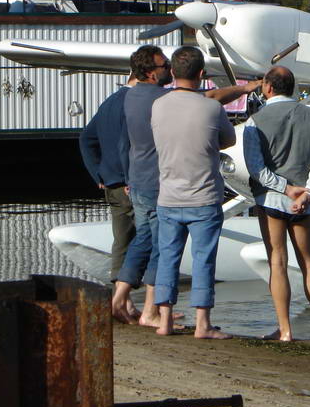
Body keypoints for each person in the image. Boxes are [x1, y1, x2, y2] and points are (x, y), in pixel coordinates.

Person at [111, 45, 259, 326]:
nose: (167, 68)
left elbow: (126, 140)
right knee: (183, 253)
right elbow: (215, 115)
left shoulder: (138, 99)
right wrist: (243, 89)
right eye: (162, 65)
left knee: (152, 245)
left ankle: (141, 306)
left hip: (150, 185)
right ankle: (169, 315)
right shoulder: (173, 101)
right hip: (180, 188)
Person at [243, 65, 310, 341]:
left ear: (268, 88)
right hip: (304, 201)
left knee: (278, 262)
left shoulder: (254, 121)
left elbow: (256, 168)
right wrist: (308, 192)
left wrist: (285, 188)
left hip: (271, 199)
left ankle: (285, 330)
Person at [151, 46, 235, 338]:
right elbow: (228, 139)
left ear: (173, 72)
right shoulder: (211, 108)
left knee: (167, 257)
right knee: (203, 259)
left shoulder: (158, 105)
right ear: (202, 74)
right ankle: (203, 324)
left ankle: (164, 321)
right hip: (204, 196)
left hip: (168, 196)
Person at [79, 72, 139, 317]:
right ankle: (137, 304)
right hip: (129, 183)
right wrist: (129, 177)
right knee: (146, 240)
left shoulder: (109, 102)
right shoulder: (134, 102)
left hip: (111, 183)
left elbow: (86, 138)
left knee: (122, 241)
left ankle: (124, 301)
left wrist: (98, 174)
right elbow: (127, 144)